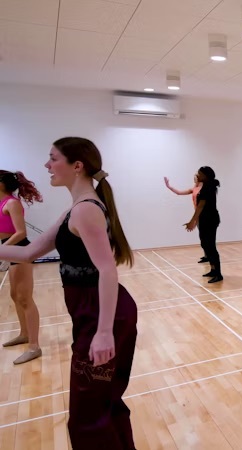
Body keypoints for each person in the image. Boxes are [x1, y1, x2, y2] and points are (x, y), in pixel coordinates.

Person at [0, 137, 138, 448]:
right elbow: (29, 251)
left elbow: (107, 270)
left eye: (53, 158)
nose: (47, 165)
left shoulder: (85, 211)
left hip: (104, 315)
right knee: (103, 403)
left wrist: (104, 333)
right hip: (91, 313)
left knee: (88, 413)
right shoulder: (74, 210)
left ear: (77, 166)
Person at [0, 170, 43, 364]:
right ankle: (24, 334)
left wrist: (3, 249)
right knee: (14, 295)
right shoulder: (2, 203)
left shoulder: (12, 203)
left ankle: (34, 347)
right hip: (8, 250)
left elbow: (20, 232)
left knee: (25, 298)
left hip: (19, 249)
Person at [183, 167, 222, 283]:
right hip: (205, 219)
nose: (197, 175)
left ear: (205, 175)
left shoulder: (208, 187)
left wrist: (192, 221)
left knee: (210, 246)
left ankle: (218, 273)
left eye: (199, 174)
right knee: (205, 244)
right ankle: (213, 269)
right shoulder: (205, 186)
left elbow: (200, 206)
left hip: (210, 220)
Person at [164, 173, 207, 263]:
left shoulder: (205, 189)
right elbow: (179, 193)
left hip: (205, 215)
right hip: (198, 214)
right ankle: (206, 255)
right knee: (202, 236)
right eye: (194, 177)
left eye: (196, 177)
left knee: (206, 237)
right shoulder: (194, 189)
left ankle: (210, 256)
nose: (194, 179)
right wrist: (169, 186)